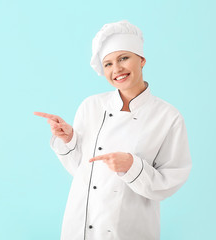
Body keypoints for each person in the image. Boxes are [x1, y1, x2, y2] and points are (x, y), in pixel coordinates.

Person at [34, 20, 192, 240]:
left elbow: (169, 181)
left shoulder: (168, 117)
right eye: (107, 64)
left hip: (130, 228)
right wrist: (69, 140)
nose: (116, 69)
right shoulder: (91, 106)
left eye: (123, 58)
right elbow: (81, 170)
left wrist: (132, 166)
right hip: (80, 224)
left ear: (142, 60)